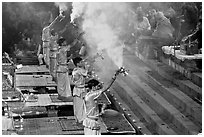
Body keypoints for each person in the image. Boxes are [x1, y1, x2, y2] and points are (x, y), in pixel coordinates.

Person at [83, 70, 120, 135]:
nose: (99, 88)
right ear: (93, 87)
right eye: (98, 86)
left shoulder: (89, 94)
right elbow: (105, 88)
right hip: (91, 123)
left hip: (91, 121)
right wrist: (114, 77)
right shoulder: (92, 95)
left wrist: (102, 109)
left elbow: (100, 103)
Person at [71, 57, 89, 124]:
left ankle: (79, 119)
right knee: (80, 106)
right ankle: (80, 120)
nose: (83, 63)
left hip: (78, 89)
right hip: (79, 90)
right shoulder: (79, 71)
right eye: (81, 62)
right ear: (78, 64)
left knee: (79, 106)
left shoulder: (75, 70)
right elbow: (87, 72)